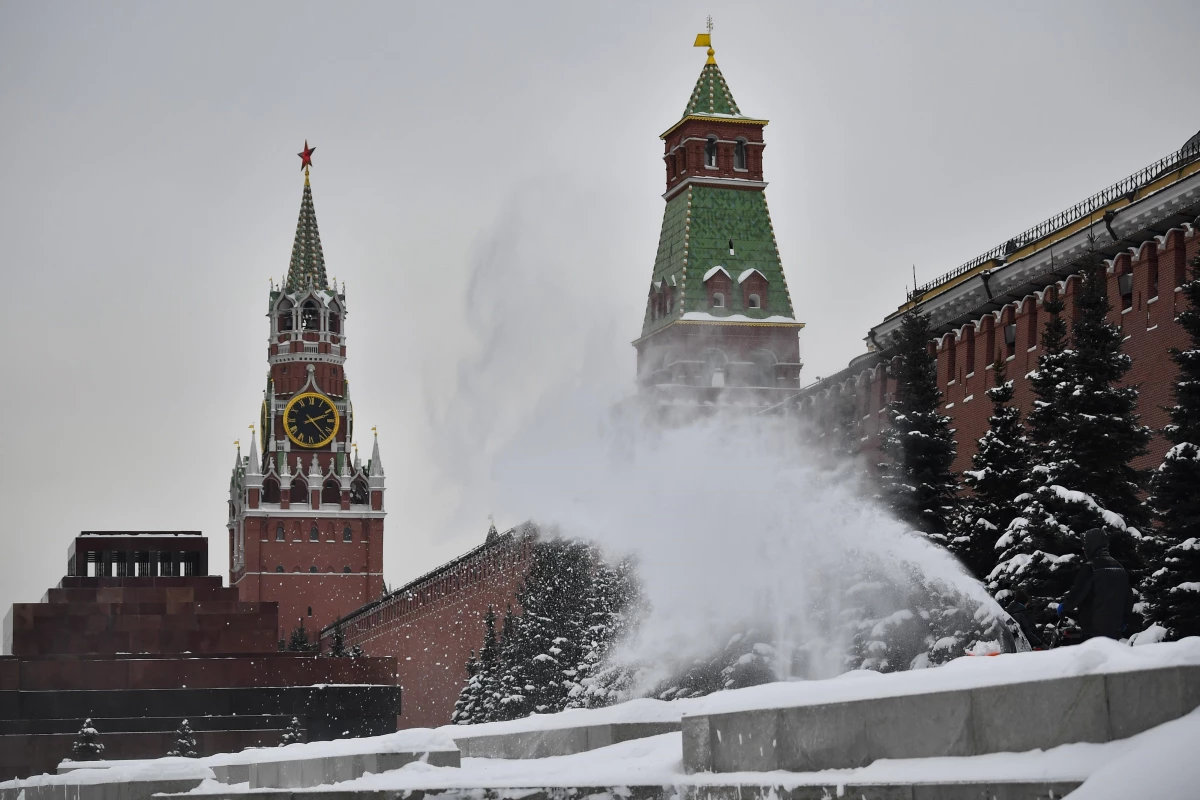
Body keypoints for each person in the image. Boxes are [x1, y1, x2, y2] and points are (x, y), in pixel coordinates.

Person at [1057, 528, 1132, 641]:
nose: (1083, 548)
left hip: (1093, 629)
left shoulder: (1090, 567)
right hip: (1114, 628)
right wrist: (1124, 620)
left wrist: (1064, 606)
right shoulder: (1119, 567)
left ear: (1091, 545)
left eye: (1085, 545)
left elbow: (1078, 592)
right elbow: (1128, 597)